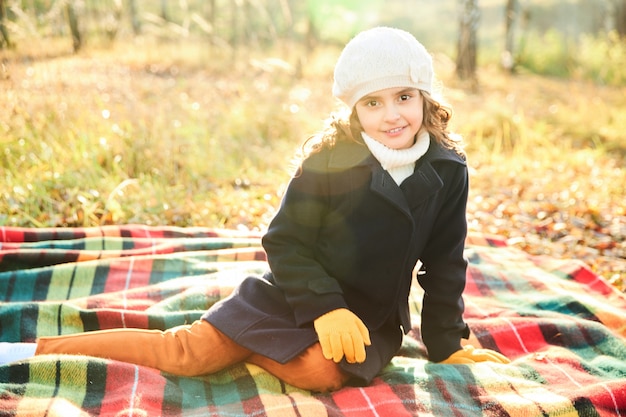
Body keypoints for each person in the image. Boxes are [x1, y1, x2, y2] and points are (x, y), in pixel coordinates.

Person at [0, 26, 509, 392]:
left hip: (368, 319)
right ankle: (31, 351)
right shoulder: (330, 163)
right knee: (186, 354)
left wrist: (446, 342)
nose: (391, 114)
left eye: (402, 96)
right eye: (372, 103)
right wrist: (324, 306)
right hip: (294, 294)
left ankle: (241, 342)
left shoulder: (447, 171)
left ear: (424, 96)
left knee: (321, 373)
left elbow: (445, 264)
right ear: (352, 110)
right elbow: (285, 242)